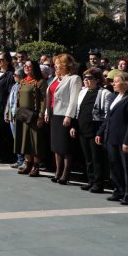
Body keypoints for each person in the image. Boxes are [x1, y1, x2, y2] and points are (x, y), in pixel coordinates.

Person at [97, 70, 128, 205]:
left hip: (124, 140)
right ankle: (119, 190)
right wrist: (100, 132)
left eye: (116, 81)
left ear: (126, 83)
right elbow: (108, 118)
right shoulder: (114, 97)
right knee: (114, 166)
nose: (113, 84)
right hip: (111, 138)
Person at [73, 68, 112, 193]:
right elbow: (77, 111)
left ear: (97, 80)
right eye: (84, 78)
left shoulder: (105, 93)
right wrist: (74, 126)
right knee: (88, 158)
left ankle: (99, 183)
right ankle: (90, 181)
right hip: (83, 129)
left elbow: (107, 115)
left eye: (89, 78)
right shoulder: (82, 92)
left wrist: (101, 132)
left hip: (95, 130)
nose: (85, 81)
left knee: (97, 158)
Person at [46, 54, 82, 185]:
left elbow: (74, 99)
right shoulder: (56, 78)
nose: (55, 66)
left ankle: (65, 174)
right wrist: (46, 111)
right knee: (56, 146)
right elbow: (50, 96)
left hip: (65, 115)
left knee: (66, 146)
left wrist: (69, 115)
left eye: (57, 63)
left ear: (65, 65)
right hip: (54, 114)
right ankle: (57, 172)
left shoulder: (74, 78)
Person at [16, 60, 47, 177]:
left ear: (35, 68)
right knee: (25, 141)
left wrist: (41, 116)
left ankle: (35, 166)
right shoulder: (22, 81)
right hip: (22, 115)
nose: (27, 68)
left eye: (30, 66)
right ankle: (28, 164)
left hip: (34, 116)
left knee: (35, 142)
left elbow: (44, 100)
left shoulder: (40, 82)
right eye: (25, 66)